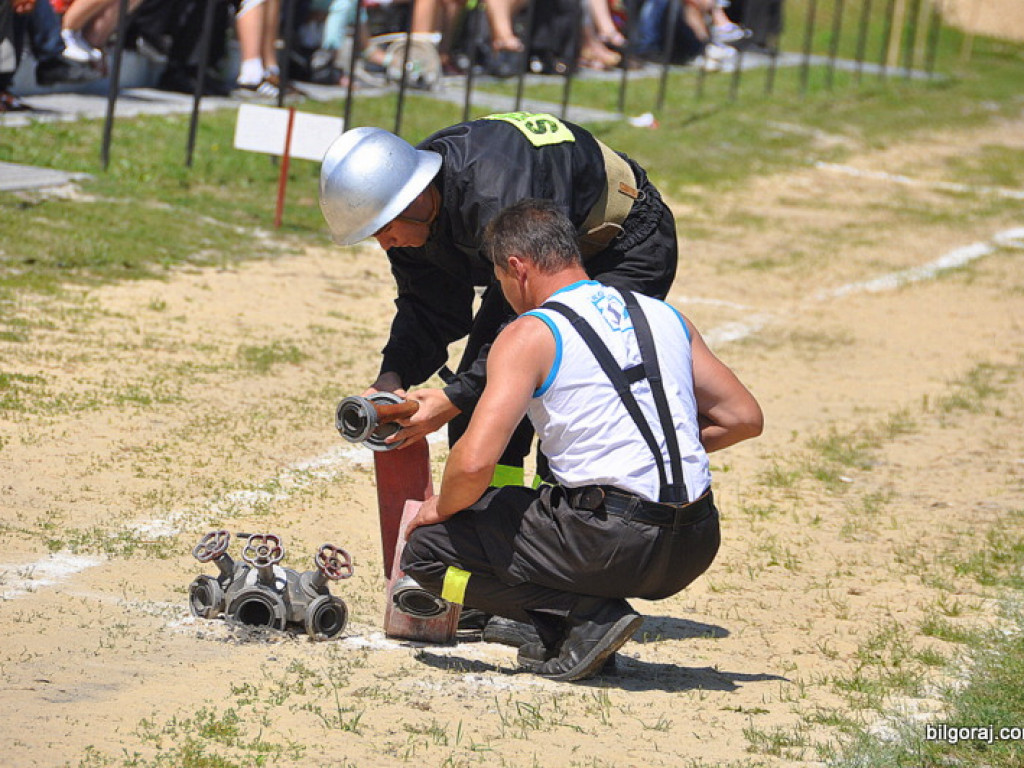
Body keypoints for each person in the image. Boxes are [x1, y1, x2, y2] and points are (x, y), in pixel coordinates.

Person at [397, 199, 763, 681]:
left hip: (609, 543)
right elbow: (743, 417)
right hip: (695, 542)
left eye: (501, 281)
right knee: (551, 514)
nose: (505, 293)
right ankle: (583, 622)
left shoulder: (530, 332)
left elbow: (472, 465)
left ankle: (582, 617)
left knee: (427, 553)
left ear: (517, 268)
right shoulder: (664, 314)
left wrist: (438, 509)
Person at [319, 113, 679, 489]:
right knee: (479, 412)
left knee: (570, 400)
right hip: (533, 256)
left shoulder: (496, 196)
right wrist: (393, 375)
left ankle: (564, 519)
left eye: (384, 230)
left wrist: (455, 395)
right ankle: (493, 522)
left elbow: (533, 317)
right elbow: (430, 307)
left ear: (416, 196)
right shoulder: (409, 210)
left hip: (619, 244)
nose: (384, 244)